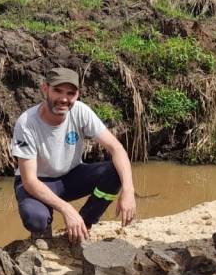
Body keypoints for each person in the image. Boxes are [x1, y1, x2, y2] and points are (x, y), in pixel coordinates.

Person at [11, 66, 136, 243]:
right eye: (57, 91)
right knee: (35, 218)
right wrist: (67, 210)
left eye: (70, 93)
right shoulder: (26, 123)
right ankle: (43, 233)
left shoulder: (81, 111)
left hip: (71, 176)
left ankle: (84, 223)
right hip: (38, 182)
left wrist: (129, 191)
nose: (64, 99)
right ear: (45, 89)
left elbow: (117, 148)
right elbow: (29, 181)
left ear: (77, 95)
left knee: (115, 172)